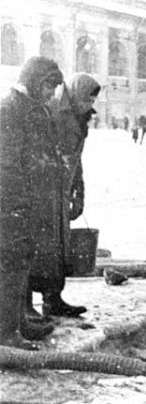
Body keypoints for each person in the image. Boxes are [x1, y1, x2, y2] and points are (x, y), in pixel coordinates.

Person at [0, 56, 64, 349]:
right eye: (50, 86)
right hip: (10, 203)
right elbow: (7, 164)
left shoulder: (28, 109)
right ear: (37, 81)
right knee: (10, 265)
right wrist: (16, 205)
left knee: (23, 260)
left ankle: (19, 323)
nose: (53, 94)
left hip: (26, 202)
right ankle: (5, 332)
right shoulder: (10, 110)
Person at [27, 73, 100, 320]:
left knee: (60, 246)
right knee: (39, 245)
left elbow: (76, 159)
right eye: (87, 100)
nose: (90, 106)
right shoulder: (53, 113)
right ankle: (27, 302)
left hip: (62, 189)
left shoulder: (80, 118)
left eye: (92, 101)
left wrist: (79, 188)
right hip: (44, 190)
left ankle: (53, 299)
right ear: (76, 94)